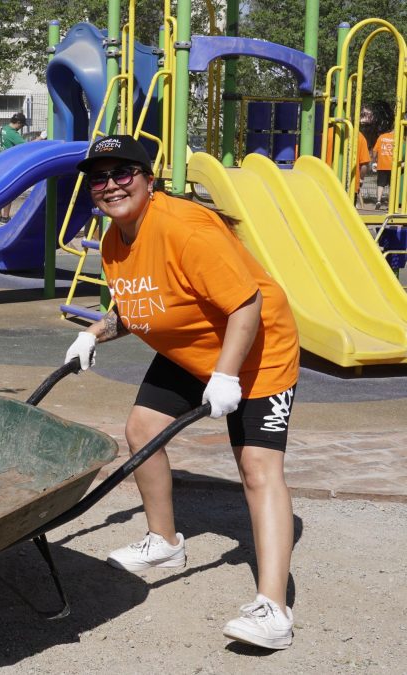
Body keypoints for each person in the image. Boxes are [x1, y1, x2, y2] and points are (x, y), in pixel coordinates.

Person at [63, 135, 300, 650]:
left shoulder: (185, 227)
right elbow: (144, 304)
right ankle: (166, 542)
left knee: (257, 469)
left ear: (150, 179)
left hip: (258, 348)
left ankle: (273, 609)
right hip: (194, 348)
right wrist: (92, 333)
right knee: (141, 428)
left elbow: (246, 305)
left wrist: (226, 375)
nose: (110, 185)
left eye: (123, 173)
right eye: (98, 178)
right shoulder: (112, 243)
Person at [0, 111, 27, 222]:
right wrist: (40, 138)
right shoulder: (13, 133)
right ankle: (5, 217)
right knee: (9, 190)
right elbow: (27, 146)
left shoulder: (2, 129)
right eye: (21, 125)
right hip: (7, 164)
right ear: (18, 122)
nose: (21, 128)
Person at [373, 125, 395, 211]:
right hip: (392, 165)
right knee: (392, 185)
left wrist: (375, 161)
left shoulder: (382, 137)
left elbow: (375, 150)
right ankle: (390, 204)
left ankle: (378, 200)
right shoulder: (399, 138)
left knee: (380, 184)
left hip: (382, 164)